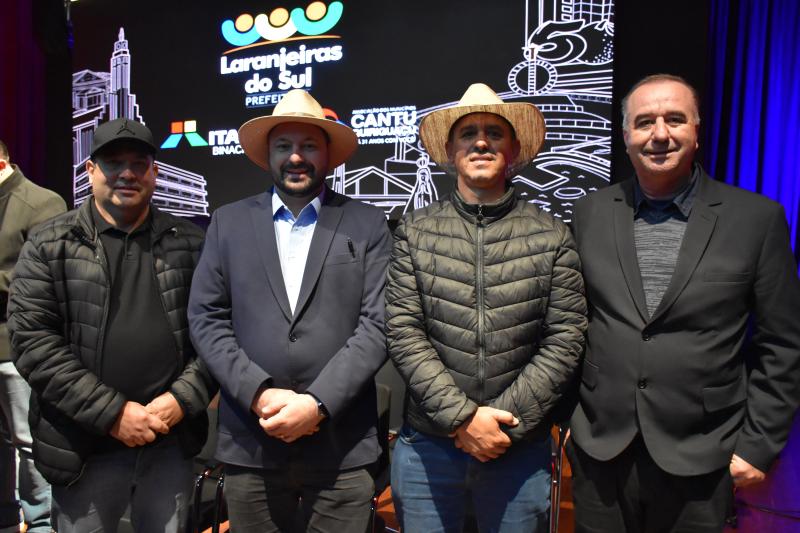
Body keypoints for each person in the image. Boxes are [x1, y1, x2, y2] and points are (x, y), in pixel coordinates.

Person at [568, 74, 800, 532]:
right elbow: (572, 322)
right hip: (601, 452)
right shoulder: (589, 212)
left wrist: (758, 447)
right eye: (644, 122)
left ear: (696, 130)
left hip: (704, 456)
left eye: (674, 119)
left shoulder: (757, 220)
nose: (659, 134)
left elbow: (783, 345)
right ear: (626, 136)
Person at [385, 83, 588, 532]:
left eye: (494, 133)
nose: (481, 143)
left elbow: (566, 337)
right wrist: (462, 420)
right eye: (468, 134)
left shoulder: (552, 234)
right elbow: (403, 330)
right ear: (451, 150)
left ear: (512, 149)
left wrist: (500, 425)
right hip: (428, 450)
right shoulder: (414, 231)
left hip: (517, 448)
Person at [188, 89, 392, 532]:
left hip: (342, 444)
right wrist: (258, 394)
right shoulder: (227, 222)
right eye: (284, 146)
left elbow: (378, 324)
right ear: (268, 154)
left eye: (309, 145)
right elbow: (206, 318)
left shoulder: (368, 224)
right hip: (252, 440)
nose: (296, 157)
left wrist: (317, 404)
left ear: (328, 155)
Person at [7, 118, 216, 533]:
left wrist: (180, 400)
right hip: (84, 447)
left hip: (169, 442)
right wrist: (114, 413)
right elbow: (33, 343)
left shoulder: (191, 242)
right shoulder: (49, 244)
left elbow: (215, 333)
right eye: (113, 163)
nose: (127, 173)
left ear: (154, 172)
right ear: (90, 170)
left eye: (139, 164)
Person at [0, 140, 65, 533]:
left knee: (29, 443)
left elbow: (42, 278)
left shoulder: (41, 203)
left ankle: (41, 524)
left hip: (18, 349)